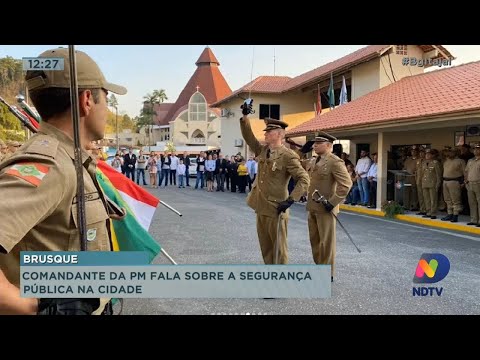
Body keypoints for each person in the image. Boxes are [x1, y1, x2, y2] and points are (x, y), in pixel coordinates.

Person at [0, 47, 127, 315]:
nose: (108, 108)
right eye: (107, 98)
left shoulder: (72, 160)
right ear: (87, 100)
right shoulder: (49, 165)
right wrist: (33, 306)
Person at [239, 110, 309, 264]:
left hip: (276, 207)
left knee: (279, 249)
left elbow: (304, 179)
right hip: (260, 205)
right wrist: (245, 118)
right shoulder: (263, 150)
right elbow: (248, 137)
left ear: (279, 134)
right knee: (266, 248)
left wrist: (291, 199)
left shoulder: (288, 155)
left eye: (269, 132)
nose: (265, 134)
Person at [306, 133, 352, 282]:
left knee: (326, 241)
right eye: (314, 143)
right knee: (314, 240)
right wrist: (300, 151)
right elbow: (297, 164)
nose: (315, 145)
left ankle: (327, 272)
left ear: (328, 145)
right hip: (312, 206)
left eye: (318, 143)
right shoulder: (313, 161)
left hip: (326, 208)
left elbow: (346, 184)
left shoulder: (334, 162)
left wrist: (332, 202)